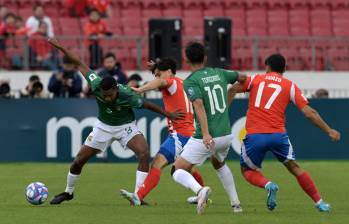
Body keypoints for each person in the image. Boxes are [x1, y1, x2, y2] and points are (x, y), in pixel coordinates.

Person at [47, 38, 184, 205]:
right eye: (104, 95)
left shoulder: (126, 94)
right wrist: (61, 46)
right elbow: (79, 63)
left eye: (110, 95)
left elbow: (146, 104)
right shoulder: (96, 83)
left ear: (116, 89)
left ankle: (137, 196)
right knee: (78, 161)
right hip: (103, 127)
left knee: (144, 153)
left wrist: (166, 113)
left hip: (126, 126)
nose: (107, 98)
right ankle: (68, 192)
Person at [229, 54, 341, 212]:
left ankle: (269, 185)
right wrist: (329, 130)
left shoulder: (255, 79)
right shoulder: (290, 86)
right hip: (278, 136)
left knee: (247, 170)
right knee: (294, 167)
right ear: (285, 69)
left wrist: (223, 110)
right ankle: (320, 202)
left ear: (267, 66)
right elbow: (310, 113)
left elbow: (233, 89)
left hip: (255, 135)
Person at [171, 42, 246, 214]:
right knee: (219, 163)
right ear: (205, 57)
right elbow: (243, 78)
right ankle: (236, 205)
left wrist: (205, 134)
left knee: (177, 169)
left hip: (206, 137)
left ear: (186, 59)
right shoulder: (219, 73)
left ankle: (200, 191)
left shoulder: (191, 81)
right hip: (226, 135)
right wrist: (233, 90)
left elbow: (198, 105)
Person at [119, 58, 206, 205]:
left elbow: (161, 82)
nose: (158, 77)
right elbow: (161, 80)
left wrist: (140, 89)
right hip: (190, 132)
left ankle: (138, 197)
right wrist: (156, 69)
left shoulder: (170, 82)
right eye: (156, 75)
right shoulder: (183, 83)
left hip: (180, 134)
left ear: (170, 72)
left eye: (160, 74)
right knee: (186, 168)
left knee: (158, 163)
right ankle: (202, 192)